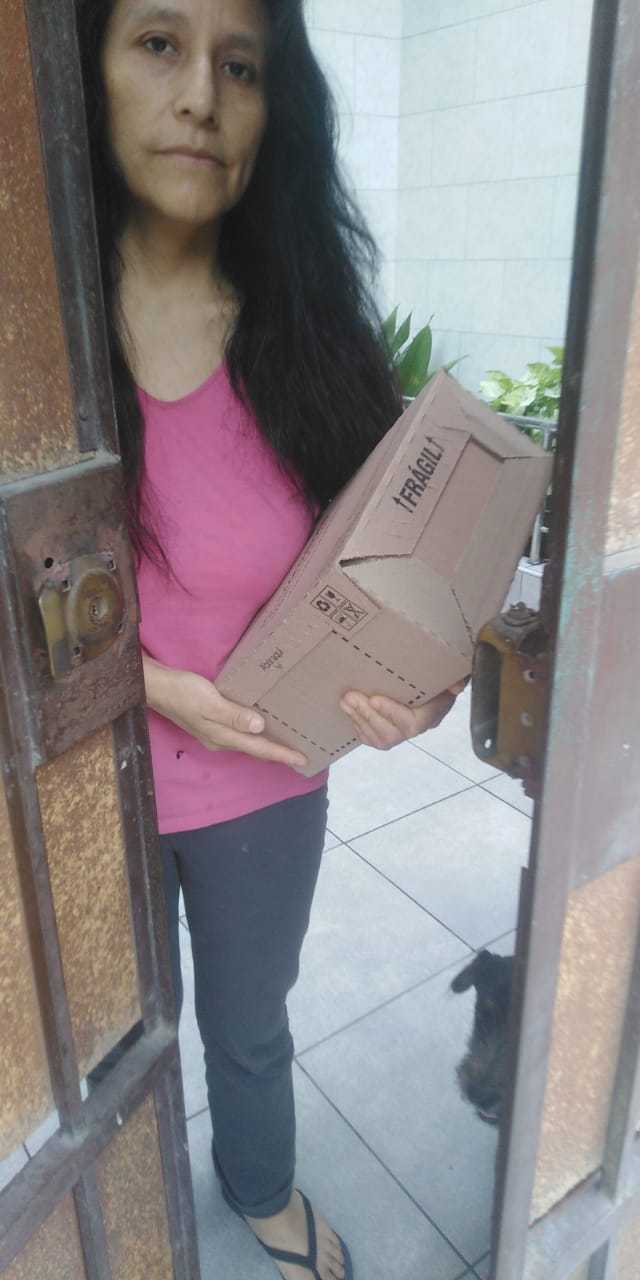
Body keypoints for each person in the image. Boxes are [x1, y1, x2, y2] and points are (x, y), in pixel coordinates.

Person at [76, 2, 462, 1276]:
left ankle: (258, 1186)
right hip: (79, 783)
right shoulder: (36, 347)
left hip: (260, 786)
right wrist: (152, 684)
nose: (200, 94)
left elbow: (413, 579)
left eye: (238, 65)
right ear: (86, 69)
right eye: (158, 43)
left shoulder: (310, 338)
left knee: (246, 1026)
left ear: (273, 107)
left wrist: (421, 688)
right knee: (100, 1053)